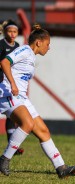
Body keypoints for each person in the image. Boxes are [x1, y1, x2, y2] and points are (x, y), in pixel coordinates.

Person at [0, 24, 75, 178]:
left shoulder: (31, 56)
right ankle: (4, 159)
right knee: (27, 124)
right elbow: (4, 62)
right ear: (38, 42)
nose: (49, 48)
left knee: (43, 131)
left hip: (21, 97)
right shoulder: (24, 50)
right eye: (48, 44)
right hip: (9, 94)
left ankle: (61, 168)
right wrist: (13, 84)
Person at [0, 20, 24, 155]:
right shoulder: (1, 45)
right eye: (10, 31)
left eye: (15, 31)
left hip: (11, 83)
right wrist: (5, 66)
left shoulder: (18, 46)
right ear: (5, 32)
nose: (12, 34)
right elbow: (4, 63)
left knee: (11, 114)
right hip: (1, 83)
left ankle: (11, 145)